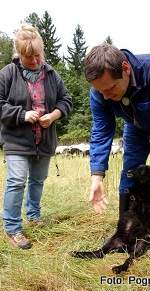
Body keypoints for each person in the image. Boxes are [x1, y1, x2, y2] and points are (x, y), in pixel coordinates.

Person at [84, 44, 150, 257]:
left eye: (111, 89)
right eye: (100, 91)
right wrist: (97, 175)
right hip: (135, 127)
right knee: (130, 173)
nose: (105, 96)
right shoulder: (100, 90)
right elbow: (101, 129)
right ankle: (123, 234)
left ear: (125, 68)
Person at [0, 24, 72, 249]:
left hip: (45, 140)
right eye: (28, 56)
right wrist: (22, 114)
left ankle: (33, 215)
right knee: (17, 181)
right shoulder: (8, 74)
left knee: (38, 181)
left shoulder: (51, 74)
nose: (33, 61)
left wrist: (53, 115)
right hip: (16, 140)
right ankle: (12, 228)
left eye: (37, 55)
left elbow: (66, 100)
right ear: (19, 54)